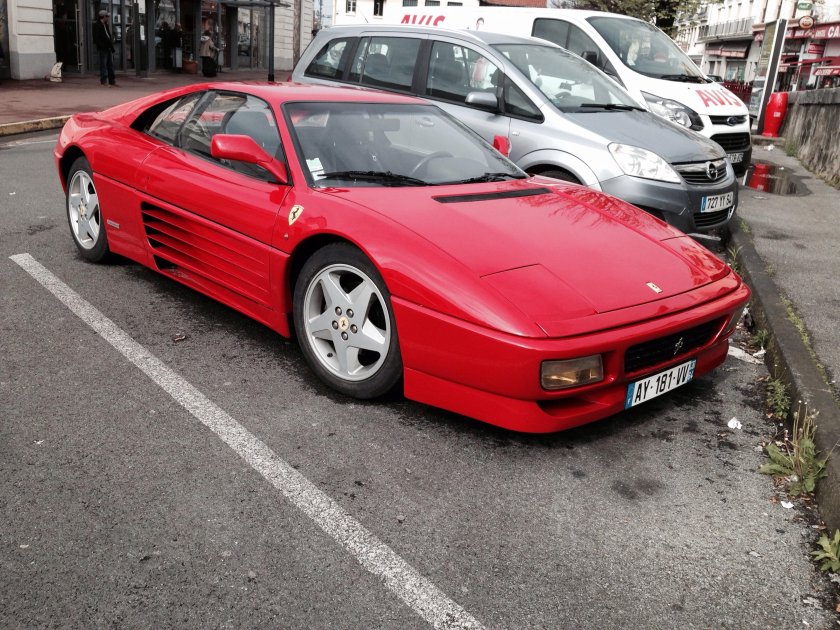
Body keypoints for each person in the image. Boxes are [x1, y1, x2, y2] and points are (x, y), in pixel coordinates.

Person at [92, 10, 117, 86]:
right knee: (104, 64)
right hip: (103, 48)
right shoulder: (97, 25)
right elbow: (96, 38)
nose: (108, 18)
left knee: (110, 64)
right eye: (107, 16)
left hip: (108, 47)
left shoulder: (105, 24)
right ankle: (104, 81)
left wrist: (111, 47)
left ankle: (111, 80)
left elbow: (108, 36)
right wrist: (102, 46)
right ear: (103, 17)